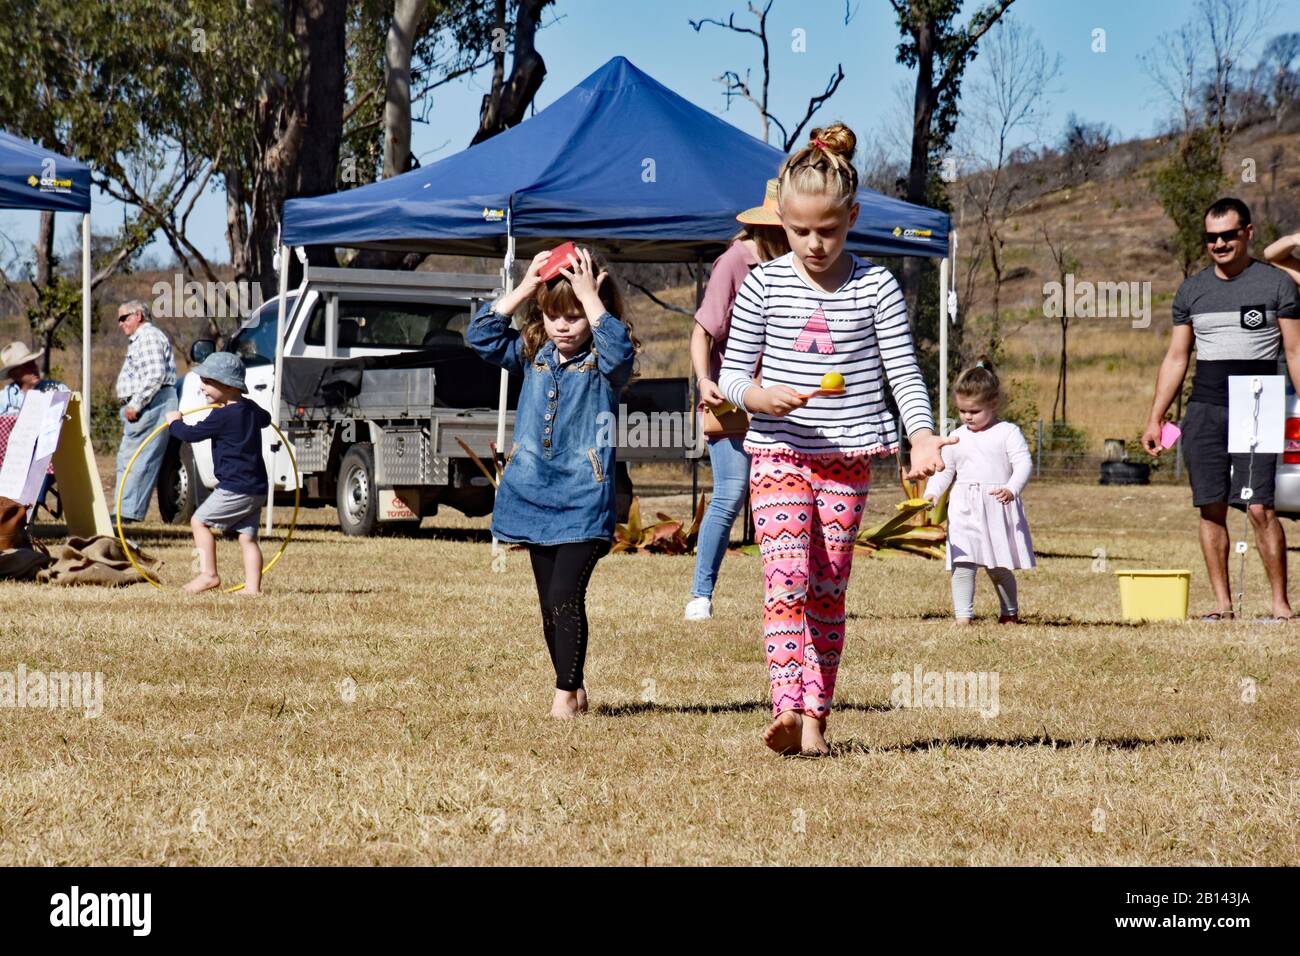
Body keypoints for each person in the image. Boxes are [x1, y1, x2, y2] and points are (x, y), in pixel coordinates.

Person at [717, 123, 953, 756]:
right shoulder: (763, 285)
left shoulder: (875, 286)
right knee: (786, 578)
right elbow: (733, 374)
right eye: (800, 231)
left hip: (848, 461)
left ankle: (817, 721)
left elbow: (903, 369)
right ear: (780, 221)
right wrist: (756, 396)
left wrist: (923, 436)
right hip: (776, 450)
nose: (814, 243)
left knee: (827, 586)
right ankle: (786, 709)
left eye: (829, 229)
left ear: (853, 216)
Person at [466, 246, 638, 719]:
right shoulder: (532, 354)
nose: (563, 326)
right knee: (549, 604)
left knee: (566, 595)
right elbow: (479, 337)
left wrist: (593, 297)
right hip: (532, 495)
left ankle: (563, 695)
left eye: (575, 315)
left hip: (583, 498)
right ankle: (575, 688)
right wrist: (524, 287)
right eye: (553, 314)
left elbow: (621, 352)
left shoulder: (605, 363)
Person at [1141, 198, 1300, 621]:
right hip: (1206, 405)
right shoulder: (1191, 291)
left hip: (1259, 400)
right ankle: (1222, 606)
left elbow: (1295, 351)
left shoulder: (1277, 285)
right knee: (1209, 505)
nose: (1220, 243)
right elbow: (1176, 358)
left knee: (1259, 506)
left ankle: (1281, 607)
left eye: (1229, 234)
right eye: (1212, 238)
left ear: (1248, 233)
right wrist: (1156, 417)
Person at [685, 179, 791, 621]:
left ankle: (787, 596)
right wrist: (703, 381)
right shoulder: (734, 262)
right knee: (731, 494)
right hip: (731, 401)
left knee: (782, 500)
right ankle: (700, 595)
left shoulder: (798, 267)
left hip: (784, 404)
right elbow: (702, 331)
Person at [923, 359, 1034, 625]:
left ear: (993, 403)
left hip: (997, 507)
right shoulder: (955, 437)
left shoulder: (1007, 432)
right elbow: (944, 470)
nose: (967, 416)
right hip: (964, 509)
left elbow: (1023, 464)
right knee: (962, 564)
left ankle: (1009, 613)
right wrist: (932, 493)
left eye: (974, 410)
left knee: (998, 566)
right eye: (962, 410)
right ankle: (963, 617)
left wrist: (1011, 488)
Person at [164, 352, 271, 595]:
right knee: (247, 538)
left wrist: (174, 422)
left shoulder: (222, 416)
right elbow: (267, 419)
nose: (202, 388)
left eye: (208, 382)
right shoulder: (250, 409)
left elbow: (190, 434)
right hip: (256, 488)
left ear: (228, 385)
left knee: (198, 521)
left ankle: (208, 575)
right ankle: (253, 589)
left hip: (235, 486)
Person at [112, 300, 178, 524]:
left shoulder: (148, 337)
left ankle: (126, 514)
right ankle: (124, 511)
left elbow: (154, 375)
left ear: (138, 315)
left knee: (136, 460)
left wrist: (136, 404)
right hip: (149, 403)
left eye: (124, 317)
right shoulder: (143, 339)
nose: (120, 323)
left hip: (151, 404)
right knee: (130, 459)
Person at [0, 342, 68, 415]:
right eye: (27, 366)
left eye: (33, 363)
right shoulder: (5, 398)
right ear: (14, 374)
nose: (34, 368)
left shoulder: (57, 388)